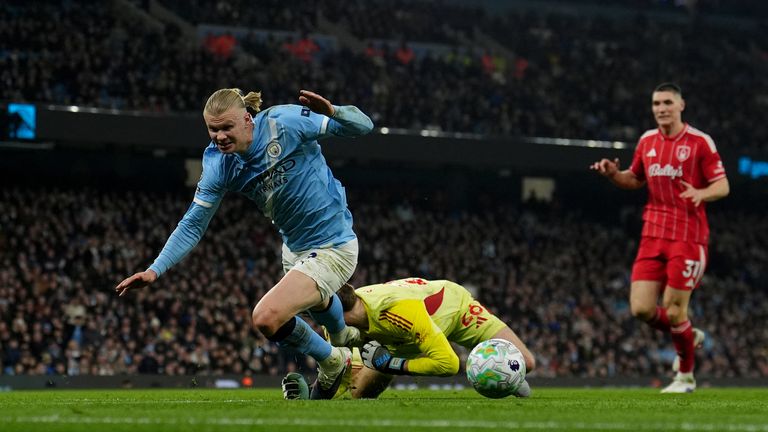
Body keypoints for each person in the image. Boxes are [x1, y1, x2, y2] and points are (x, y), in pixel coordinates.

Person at [115, 88, 374, 399]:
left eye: (227, 127)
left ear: (248, 119)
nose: (220, 137)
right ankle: (343, 336)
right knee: (318, 305)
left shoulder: (284, 122)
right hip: (294, 249)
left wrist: (333, 111)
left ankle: (334, 360)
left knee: (266, 318)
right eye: (213, 130)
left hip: (335, 245)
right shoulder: (218, 165)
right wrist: (154, 270)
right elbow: (193, 224)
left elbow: (363, 127)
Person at [590, 83, 729, 393]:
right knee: (641, 309)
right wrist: (613, 174)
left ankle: (685, 378)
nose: (661, 108)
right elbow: (634, 179)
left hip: (688, 237)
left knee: (675, 309)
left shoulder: (699, 142)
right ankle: (687, 334)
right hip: (652, 235)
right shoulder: (647, 141)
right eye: (656, 103)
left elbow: (723, 186)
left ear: (681, 105)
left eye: (667, 102)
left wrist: (701, 193)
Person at [283, 277, 536, 399]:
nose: (323, 323)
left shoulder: (396, 310)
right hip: (399, 342)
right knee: (360, 395)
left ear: (341, 313)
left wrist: (392, 364)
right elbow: (337, 371)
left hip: (455, 310)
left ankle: (506, 375)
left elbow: (449, 364)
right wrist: (311, 396)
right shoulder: (336, 322)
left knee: (526, 362)